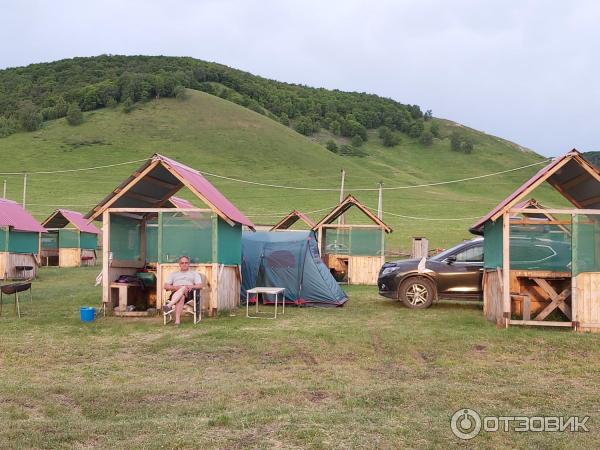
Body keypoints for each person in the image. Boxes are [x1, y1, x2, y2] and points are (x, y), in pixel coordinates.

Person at [163, 256, 203, 325]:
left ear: (189, 263)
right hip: (175, 293)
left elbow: (200, 285)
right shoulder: (173, 274)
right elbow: (166, 286)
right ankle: (177, 321)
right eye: (182, 263)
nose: (184, 264)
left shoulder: (194, 274)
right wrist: (177, 288)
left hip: (189, 293)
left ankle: (169, 305)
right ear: (179, 264)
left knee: (184, 288)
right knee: (181, 297)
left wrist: (191, 286)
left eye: (186, 263)